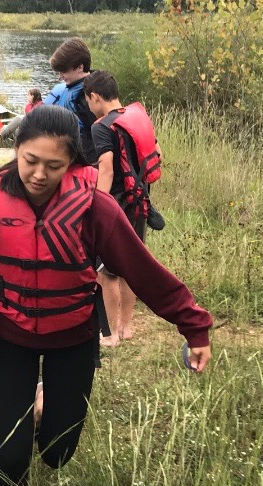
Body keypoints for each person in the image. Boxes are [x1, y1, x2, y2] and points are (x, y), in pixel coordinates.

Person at [0, 105, 212, 486]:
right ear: (16, 151)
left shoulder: (95, 209)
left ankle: (44, 405)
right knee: (12, 452)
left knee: (57, 453)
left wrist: (193, 325)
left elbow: (143, 271)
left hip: (73, 341)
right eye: (30, 161)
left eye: (53, 165)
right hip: (9, 340)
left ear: (74, 164)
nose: (39, 174)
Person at [83, 70, 167, 346]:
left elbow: (105, 170)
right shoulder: (135, 117)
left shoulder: (102, 126)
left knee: (105, 273)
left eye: (88, 100)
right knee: (131, 267)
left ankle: (108, 335)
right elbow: (157, 153)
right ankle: (125, 327)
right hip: (140, 202)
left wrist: (95, 208)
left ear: (95, 96)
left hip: (116, 205)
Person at [45, 37, 98, 165]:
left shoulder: (87, 96)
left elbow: (101, 137)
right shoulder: (74, 88)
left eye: (63, 70)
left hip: (87, 164)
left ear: (80, 67)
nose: (60, 76)